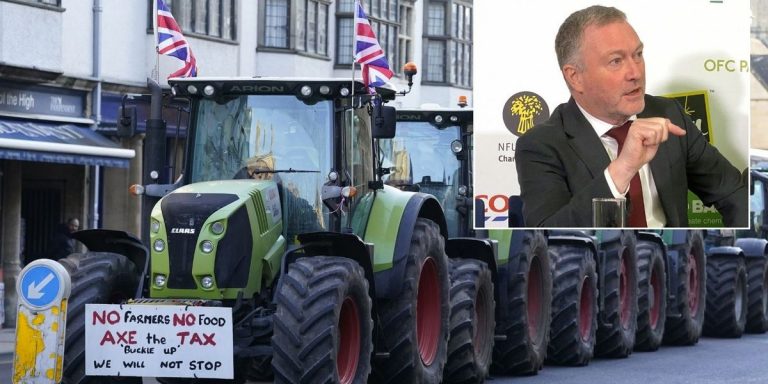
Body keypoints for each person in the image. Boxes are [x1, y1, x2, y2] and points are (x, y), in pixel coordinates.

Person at [514, 5, 747, 228]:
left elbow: (732, 192)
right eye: (616, 61)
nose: (635, 72)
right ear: (575, 77)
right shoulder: (541, 145)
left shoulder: (669, 114)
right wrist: (624, 168)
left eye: (638, 54)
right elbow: (547, 233)